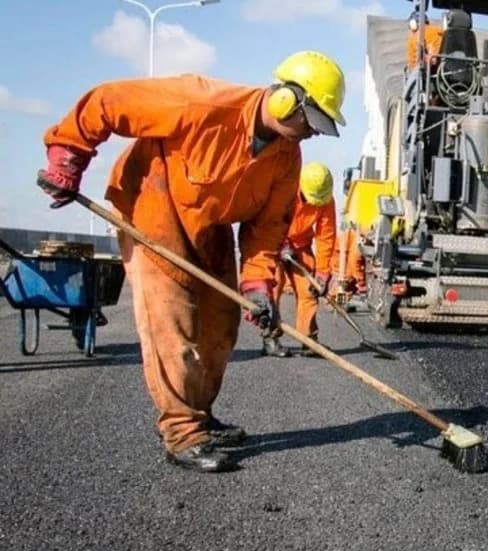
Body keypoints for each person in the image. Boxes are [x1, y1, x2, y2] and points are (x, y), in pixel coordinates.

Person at [38, 50, 347, 473]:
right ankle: (182, 431)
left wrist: (259, 286)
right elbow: (108, 102)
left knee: (222, 326)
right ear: (285, 100)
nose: (312, 134)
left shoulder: (286, 156)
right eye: (311, 121)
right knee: (173, 324)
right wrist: (68, 156)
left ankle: (200, 412)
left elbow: (267, 228)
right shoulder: (200, 102)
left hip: (210, 224)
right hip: (154, 208)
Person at [261, 162, 338, 357]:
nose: (314, 204)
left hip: (301, 246)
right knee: (273, 290)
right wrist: (282, 243)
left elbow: (325, 236)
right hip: (275, 242)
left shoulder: (325, 199)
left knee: (309, 291)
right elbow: (271, 219)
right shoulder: (286, 189)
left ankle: (308, 340)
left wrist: (322, 272)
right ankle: (270, 338)